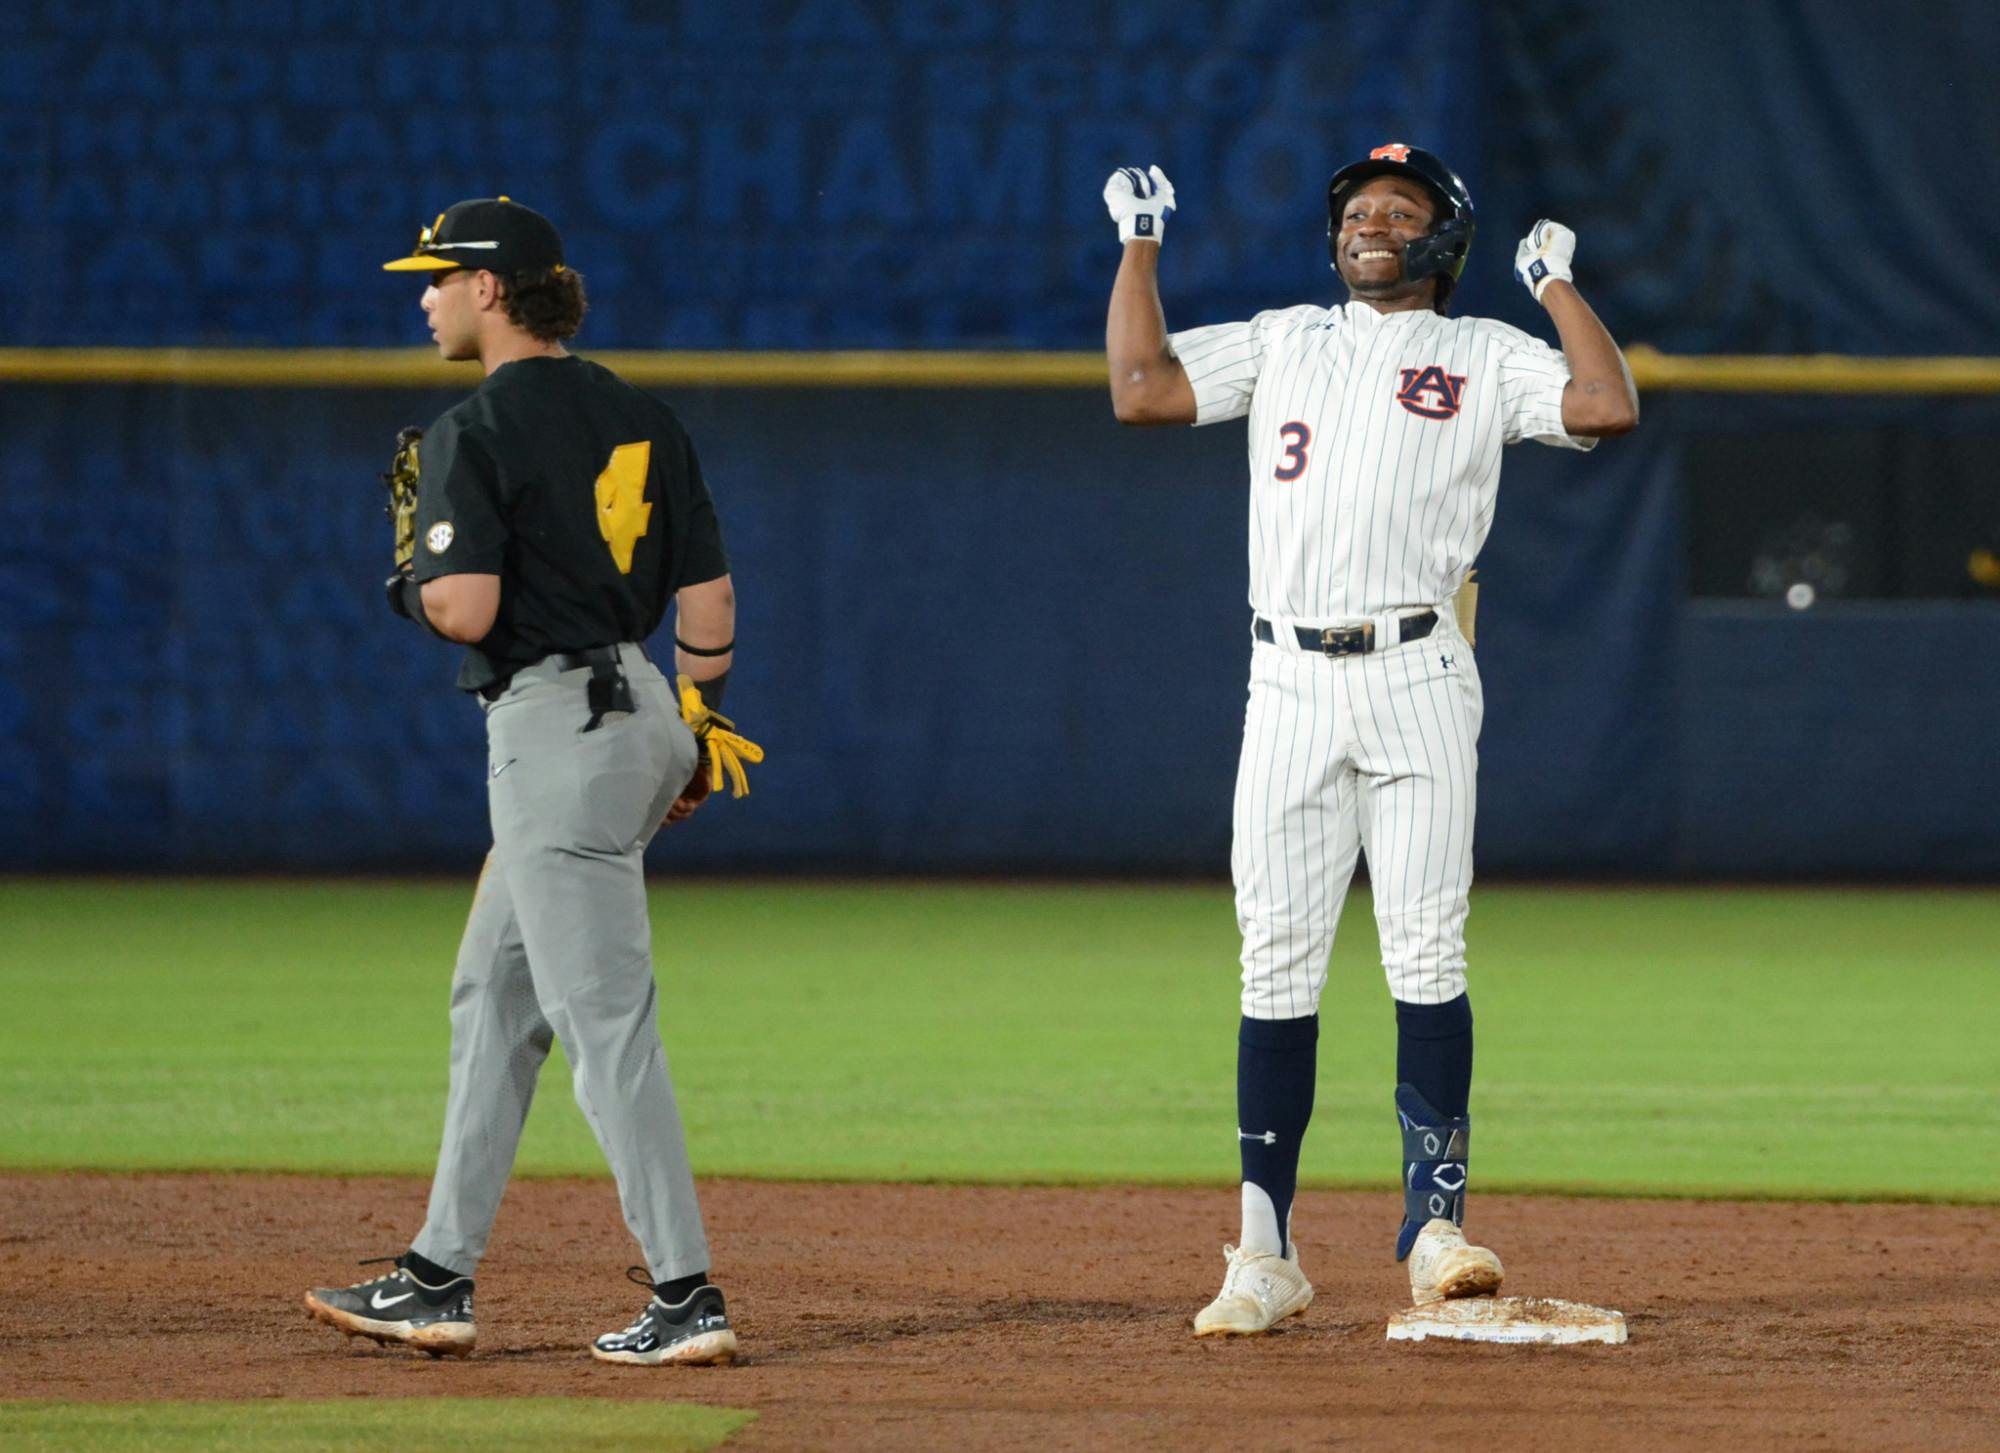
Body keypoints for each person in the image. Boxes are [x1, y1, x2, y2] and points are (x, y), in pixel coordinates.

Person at [1102, 147, 1638, 1334]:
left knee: (1424, 951)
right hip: (1284, 676)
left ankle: (1432, 1227)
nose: (1369, 224)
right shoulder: (1286, 336)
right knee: (1273, 961)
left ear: (1443, 238)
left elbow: (1602, 405)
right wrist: (1140, 241)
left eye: (1398, 210)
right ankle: (1262, 1253)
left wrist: (1552, 284)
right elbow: (1139, 389)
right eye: (1354, 209)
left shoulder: (1481, 352)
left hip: (1415, 669)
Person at [304, 196, 756, 1366]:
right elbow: (707, 606)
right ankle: (436, 1274)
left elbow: (467, 608)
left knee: (605, 1025)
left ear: (490, 290)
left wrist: (408, 575)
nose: (424, 296)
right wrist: (696, 717)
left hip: (556, 733)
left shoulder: (476, 428)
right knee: (494, 999)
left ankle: (687, 1293)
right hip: (646, 711)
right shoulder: (643, 414)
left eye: (437, 279)